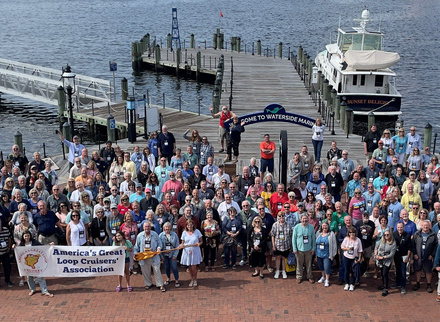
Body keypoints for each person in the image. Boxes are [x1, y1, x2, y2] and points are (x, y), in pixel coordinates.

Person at [17, 231, 53, 296]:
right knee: (29, 277)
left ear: (30, 236)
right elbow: (17, 251)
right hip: (27, 264)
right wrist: (14, 246)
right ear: (23, 237)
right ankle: (32, 289)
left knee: (40, 277)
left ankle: (44, 290)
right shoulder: (21, 244)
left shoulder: (34, 242)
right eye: (25, 236)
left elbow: (42, 247)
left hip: (36, 263)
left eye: (28, 236)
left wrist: (49, 245)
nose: (27, 237)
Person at [134, 221, 166, 292]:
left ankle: (160, 284)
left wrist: (159, 248)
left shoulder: (155, 234)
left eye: (148, 227)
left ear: (150, 227)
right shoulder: (139, 236)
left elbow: (160, 244)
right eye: (145, 227)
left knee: (157, 270)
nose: (147, 228)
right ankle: (148, 284)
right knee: (145, 271)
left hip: (154, 256)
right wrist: (136, 255)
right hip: (144, 256)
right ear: (143, 228)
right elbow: (136, 247)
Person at [412, 220, 437, 293]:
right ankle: (417, 283)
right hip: (418, 255)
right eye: (424, 225)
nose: (425, 227)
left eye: (427, 225)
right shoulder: (417, 234)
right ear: (421, 226)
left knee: (428, 271)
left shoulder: (433, 235)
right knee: (418, 269)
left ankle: (429, 284)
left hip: (428, 256)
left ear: (429, 226)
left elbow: (435, 246)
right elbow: (413, 245)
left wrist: (432, 255)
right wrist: (414, 254)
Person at [292, 214, 316, 284]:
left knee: (308, 264)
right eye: (303, 219)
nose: (304, 220)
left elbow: (313, 239)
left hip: (308, 249)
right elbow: (294, 239)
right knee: (299, 264)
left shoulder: (311, 227)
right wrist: (294, 248)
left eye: (306, 219)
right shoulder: (296, 227)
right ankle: (299, 277)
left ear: (308, 219)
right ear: (300, 219)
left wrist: (313, 248)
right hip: (299, 250)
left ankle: (310, 277)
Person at [179, 219, 203, 287]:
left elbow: (201, 241)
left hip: (195, 251)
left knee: (194, 267)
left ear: (193, 225)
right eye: (188, 225)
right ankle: (191, 279)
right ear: (186, 226)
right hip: (187, 251)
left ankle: (195, 279)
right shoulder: (184, 233)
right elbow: (182, 243)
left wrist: (199, 243)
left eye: (191, 224)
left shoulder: (197, 231)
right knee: (189, 268)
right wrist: (181, 245)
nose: (189, 226)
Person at [374, 229, 397, 296]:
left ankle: (386, 288)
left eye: (387, 235)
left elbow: (391, 254)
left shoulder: (393, 243)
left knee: (385, 273)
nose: (386, 236)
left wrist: (383, 257)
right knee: (382, 273)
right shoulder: (381, 241)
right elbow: (376, 247)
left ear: (390, 235)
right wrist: (376, 255)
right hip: (380, 260)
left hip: (387, 261)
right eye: (385, 235)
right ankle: (383, 285)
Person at [270, 211, 292, 279]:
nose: (281, 218)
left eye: (283, 216)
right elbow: (272, 235)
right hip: (278, 245)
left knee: (284, 258)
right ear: (278, 217)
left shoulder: (288, 224)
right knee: (278, 258)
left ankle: (283, 271)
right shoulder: (275, 225)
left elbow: (291, 235)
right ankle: (277, 271)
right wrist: (273, 245)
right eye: (280, 216)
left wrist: (291, 245)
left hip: (286, 245)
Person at [341, 226, 363, 291]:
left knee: (353, 271)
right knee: (346, 271)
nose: (352, 234)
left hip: (354, 258)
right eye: (350, 232)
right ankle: (347, 283)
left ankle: (352, 284)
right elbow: (342, 247)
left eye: (353, 232)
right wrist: (347, 248)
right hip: (346, 257)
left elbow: (360, 250)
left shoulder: (358, 240)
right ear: (349, 233)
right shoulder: (346, 239)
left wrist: (359, 258)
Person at [316, 221, 337, 287]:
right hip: (319, 253)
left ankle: (327, 280)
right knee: (321, 266)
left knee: (327, 267)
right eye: (323, 226)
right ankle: (323, 277)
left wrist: (334, 253)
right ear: (321, 226)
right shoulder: (318, 233)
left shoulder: (331, 234)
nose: (324, 227)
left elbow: (334, 244)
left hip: (327, 254)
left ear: (328, 226)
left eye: (326, 226)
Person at [159, 222, 180, 287]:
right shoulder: (160, 235)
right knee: (166, 267)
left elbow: (177, 246)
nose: (167, 228)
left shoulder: (174, 235)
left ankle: (176, 280)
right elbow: (159, 246)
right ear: (164, 228)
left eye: (168, 227)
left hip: (172, 254)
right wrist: (161, 256)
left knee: (174, 267)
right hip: (165, 255)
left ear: (171, 228)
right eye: (166, 227)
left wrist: (175, 255)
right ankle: (168, 278)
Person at [393, 222, 412, 294]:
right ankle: (397, 283)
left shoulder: (407, 235)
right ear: (396, 228)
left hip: (404, 256)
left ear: (403, 227)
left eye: (401, 227)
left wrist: (408, 257)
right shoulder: (394, 234)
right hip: (396, 255)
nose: (400, 229)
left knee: (403, 271)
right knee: (397, 270)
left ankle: (403, 286)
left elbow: (410, 248)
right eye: (398, 227)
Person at [0, 218, 13, 288]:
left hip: (5, 252)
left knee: (7, 267)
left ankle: (8, 280)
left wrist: (8, 248)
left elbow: (9, 239)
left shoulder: (5, 229)